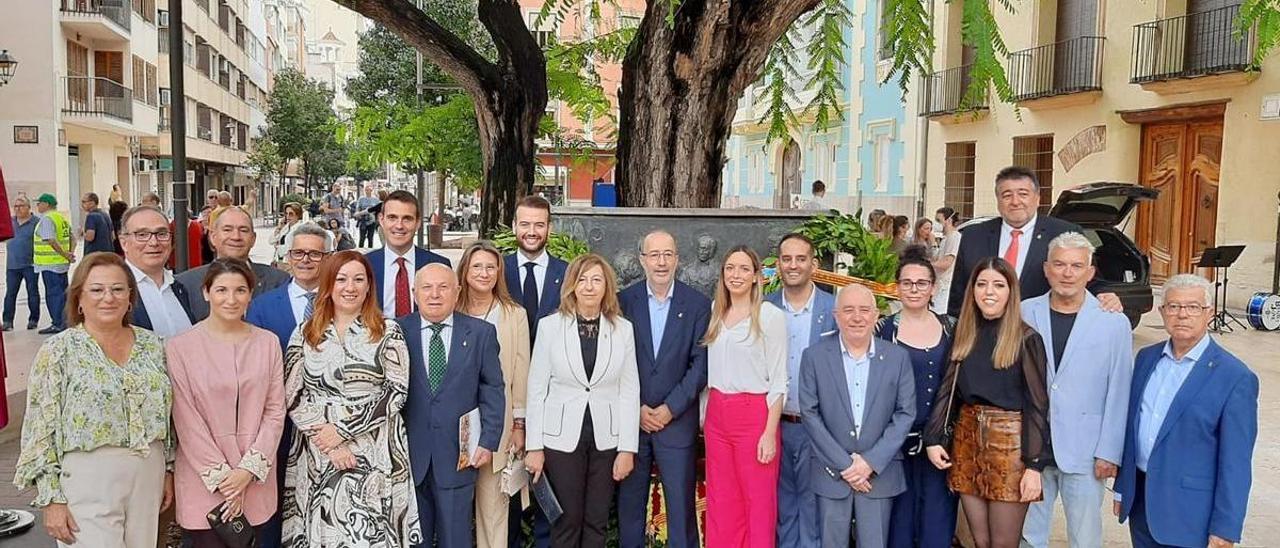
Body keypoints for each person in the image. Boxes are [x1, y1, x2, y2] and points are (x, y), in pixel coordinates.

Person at [13, 252, 174, 546]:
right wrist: (51, 498)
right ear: (79, 299)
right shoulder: (59, 350)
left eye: (117, 289)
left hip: (148, 472)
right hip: (89, 476)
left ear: (130, 297)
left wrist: (168, 470)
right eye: (97, 290)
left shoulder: (152, 345)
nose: (108, 298)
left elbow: (167, 412)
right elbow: (39, 427)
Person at [281, 250, 421, 546]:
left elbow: (396, 392)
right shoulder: (305, 334)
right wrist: (329, 442)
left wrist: (343, 432)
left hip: (375, 449)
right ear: (328, 285)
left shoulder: (387, 331)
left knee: (369, 534)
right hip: (318, 450)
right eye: (342, 279)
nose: (350, 287)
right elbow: (292, 395)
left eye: (359, 279)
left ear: (369, 285)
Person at [1114, 274, 1258, 548]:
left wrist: (1225, 527)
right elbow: (1133, 429)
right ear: (1162, 312)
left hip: (1192, 514)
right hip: (1142, 504)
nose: (1182, 315)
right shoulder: (1146, 358)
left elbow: (1236, 464)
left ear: (1209, 313)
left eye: (1193, 307)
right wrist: (1123, 487)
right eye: (1173, 306)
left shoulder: (1235, 377)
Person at [924, 257, 1050, 548]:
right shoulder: (964, 333)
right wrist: (934, 438)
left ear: (1011, 291)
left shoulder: (1026, 339)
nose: (989, 291)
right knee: (979, 541)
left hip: (1010, 448)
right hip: (967, 442)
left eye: (998, 284)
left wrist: (1034, 466)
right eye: (981, 284)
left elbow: (1038, 405)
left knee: (1002, 543)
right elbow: (948, 389)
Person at [1019, 232, 1132, 548]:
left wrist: (1109, 451)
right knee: (1029, 535)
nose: (1067, 273)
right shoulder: (1025, 312)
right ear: (1046, 269)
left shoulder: (1113, 322)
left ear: (1090, 272)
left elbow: (1119, 390)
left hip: (1086, 452)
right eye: (1059, 264)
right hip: (1033, 449)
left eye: (1076, 266)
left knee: (1085, 537)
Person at [167, 258, 286, 546]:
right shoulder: (179, 347)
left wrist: (247, 471)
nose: (231, 299)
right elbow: (186, 418)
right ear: (206, 292)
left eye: (240, 290)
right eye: (221, 290)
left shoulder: (267, 343)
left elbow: (275, 411)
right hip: (203, 481)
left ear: (250, 294)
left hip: (255, 477)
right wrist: (224, 479)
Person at [524, 253, 640, 547]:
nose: (589, 286)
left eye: (596, 279)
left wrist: (628, 448)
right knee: (566, 520)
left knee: (596, 521)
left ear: (607, 286)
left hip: (606, 439)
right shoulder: (551, 326)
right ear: (572, 285)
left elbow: (629, 391)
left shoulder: (622, 329)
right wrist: (534, 446)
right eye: (582, 279)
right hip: (561, 440)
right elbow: (537, 389)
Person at [799, 284, 915, 548]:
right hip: (831, 473)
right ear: (836, 315)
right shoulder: (814, 357)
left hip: (879, 475)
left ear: (876, 316)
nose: (857, 317)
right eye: (848, 310)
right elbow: (810, 413)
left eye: (864, 310)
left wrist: (869, 463)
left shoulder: (897, 358)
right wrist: (846, 465)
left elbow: (905, 413)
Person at [398, 263, 506, 546]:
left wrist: (488, 440)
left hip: (459, 456)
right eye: (427, 288)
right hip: (408, 456)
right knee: (412, 540)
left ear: (457, 292)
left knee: (455, 538)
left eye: (443, 287)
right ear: (414, 293)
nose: (435, 294)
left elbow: (492, 389)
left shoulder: (481, 333)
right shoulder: (396, 332)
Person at [616, 230, 711, 548]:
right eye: (654, 255)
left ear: (677, 259)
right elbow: (615, 362)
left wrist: (670, 408)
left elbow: (700, 365)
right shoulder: (622, 302)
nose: (661, 262)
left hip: (677, 424)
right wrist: (637, 407)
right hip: (632, 425)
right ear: (642, 260)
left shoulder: (698, 304)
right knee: (629, 509)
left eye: (668, 254)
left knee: (681, 509)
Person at [244, 222, 333, 548]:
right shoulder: (262, 306)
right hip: (277, 430)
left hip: (329, 431)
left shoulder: (343, 302)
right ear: (287, 255)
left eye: (315, 253)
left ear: (328, 257)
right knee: (273, 513)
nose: (306, 259)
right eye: (298, 252)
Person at [947, 166, 1120, 317]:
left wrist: (1105, 294)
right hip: (983, 334)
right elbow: (959, 294)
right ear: (998, 200)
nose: (1015, 202)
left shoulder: (1064, 232)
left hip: (1038, 336)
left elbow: (1088, 279)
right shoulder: (973, 235)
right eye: (1007, 195)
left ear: (1037, 198)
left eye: (1023, 194)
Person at [703, 245, 788, 548]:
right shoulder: (716, 311)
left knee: (758, 501)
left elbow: (779, 380)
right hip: (717, 415)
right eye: (729, 268)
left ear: (756, 276)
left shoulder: (769, 316)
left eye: (743, 269)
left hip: (754, 416)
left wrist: (769, 432)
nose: (735, 275)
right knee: (721, 499)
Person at [876, 248, 958, 548]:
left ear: (933, 288)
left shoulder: (951, 327)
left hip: (941, 444)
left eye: (921, 283)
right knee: (899, 523)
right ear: (897, 287)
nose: (914, 289)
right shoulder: (882, 331)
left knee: (937, 524)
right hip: (896, 445)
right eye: (907, 282)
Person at [454, 241, 531, 548]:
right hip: (456, 424)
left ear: (499, 272)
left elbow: (521, 371)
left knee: (494, 511)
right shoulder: (450, 309)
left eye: (490, 267)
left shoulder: (515, 315)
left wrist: (519, 425)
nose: (484, 273)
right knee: (455, 511)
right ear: (465, 270)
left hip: (498, 427)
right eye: (477, 266)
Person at [763, 233, 835, 548]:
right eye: (787, 259)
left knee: (813, 507)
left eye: (801, 259)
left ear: (814, 265)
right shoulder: (763, 308)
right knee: (781, 509)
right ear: (778, 265)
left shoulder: (834, 309)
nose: (793, 266)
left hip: (818, 427)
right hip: (774, 425)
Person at [176, 206, 290, 321]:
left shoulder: (279, 281)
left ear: (253, 239)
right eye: (227, 230)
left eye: (243, 230)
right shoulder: (186, 284)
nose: (236, 237)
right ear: (213, 237)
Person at [365, 190, 451, 318]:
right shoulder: (365, 265)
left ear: (418, 223)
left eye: (407, 219)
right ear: (381, 220)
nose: (399, 226)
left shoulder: (438, 265)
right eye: (392, 218)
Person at [120, 205, 197, 338]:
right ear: (124, 243)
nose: (154, 242)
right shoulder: (112, 290)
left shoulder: (180, 288)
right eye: (142, 235)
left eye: (161, 234)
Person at [504, 195, 569, 345]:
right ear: (514, 226)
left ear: (549, 228)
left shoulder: (567, 272)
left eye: (539, 225)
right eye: (525, 224)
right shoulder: (498, 270)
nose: (531, 232)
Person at [33, 193, 75, 334]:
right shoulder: (61, 218)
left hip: (50, 264)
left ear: (46, 204)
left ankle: (58, 323)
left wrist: (64, 254)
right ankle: (65, 321)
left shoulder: (46, 219)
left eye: (39, 203)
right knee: (63, 294)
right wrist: (69, 254)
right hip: (61, 263)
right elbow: (73, 238)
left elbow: (50, 240)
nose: (37, 205)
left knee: (54, 295)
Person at [4, 195, 40, 331]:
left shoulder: (36, 222)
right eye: (16, 206)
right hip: (12, 265)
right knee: (10, 293)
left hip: (30, 265)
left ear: (28, 207)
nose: (18, 209)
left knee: (32, 292)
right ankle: (7, 321)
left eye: (21, 206)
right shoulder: (10, 222)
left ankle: (33, 319)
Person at [931, 208, 961, 314]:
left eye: (938, 220)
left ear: (948, 220)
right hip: (939, 286)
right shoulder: (945, 238)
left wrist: (928, 265)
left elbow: (947, 262)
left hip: (946, 287)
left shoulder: (955, 237)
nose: (936, 224)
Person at [271, 203, 304, 268]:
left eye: (291, 214)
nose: (288, 216)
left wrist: (277, 247)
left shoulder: (300, 229)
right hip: (280, 262)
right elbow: (271, 241)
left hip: (291, 264)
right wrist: (279, 227)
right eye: (286, 213)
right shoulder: (285, 227)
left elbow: (289, 248)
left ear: (298, 215)